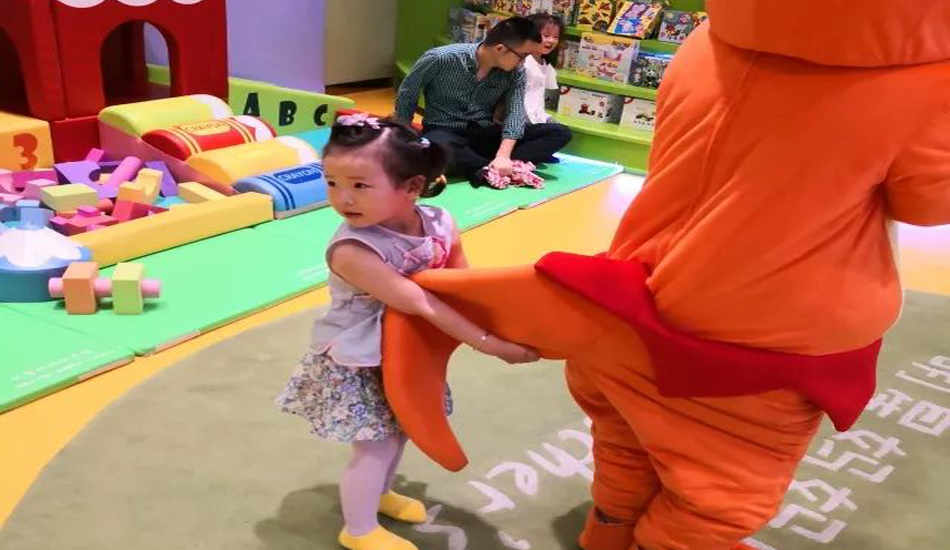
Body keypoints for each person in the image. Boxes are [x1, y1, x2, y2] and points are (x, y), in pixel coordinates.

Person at [376, 1, 950, 549]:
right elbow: (928, 203)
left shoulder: (705, 42)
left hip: (628, 297)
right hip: (758, 338)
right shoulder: (925, 87)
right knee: (725, 497)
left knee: (626, 443)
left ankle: (609, 531)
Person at [275, 114, 539, 550]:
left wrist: (505, 320)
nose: (343, 198)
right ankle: (358, 530)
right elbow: (419, 302)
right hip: (360, 359)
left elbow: (461, 284)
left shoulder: (440, 222)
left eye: (360, 185)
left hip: (411, 350)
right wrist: (489, 344)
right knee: (376, 445)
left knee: (402, 428)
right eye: (332, 183)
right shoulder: (352, 250)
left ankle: (380, 494)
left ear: (412, 187)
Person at [395, 16, 571, 188]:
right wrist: (404, 139)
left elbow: (515, 112)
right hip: (445, 131)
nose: (523, 62)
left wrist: (503, 155)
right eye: (522, 56)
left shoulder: (516, 72)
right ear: (500, 49)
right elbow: (407, 94)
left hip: (486, 132)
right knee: (438, 146)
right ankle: (493, 167)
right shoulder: (440, 58)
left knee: (559, 132)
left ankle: (489, 166)